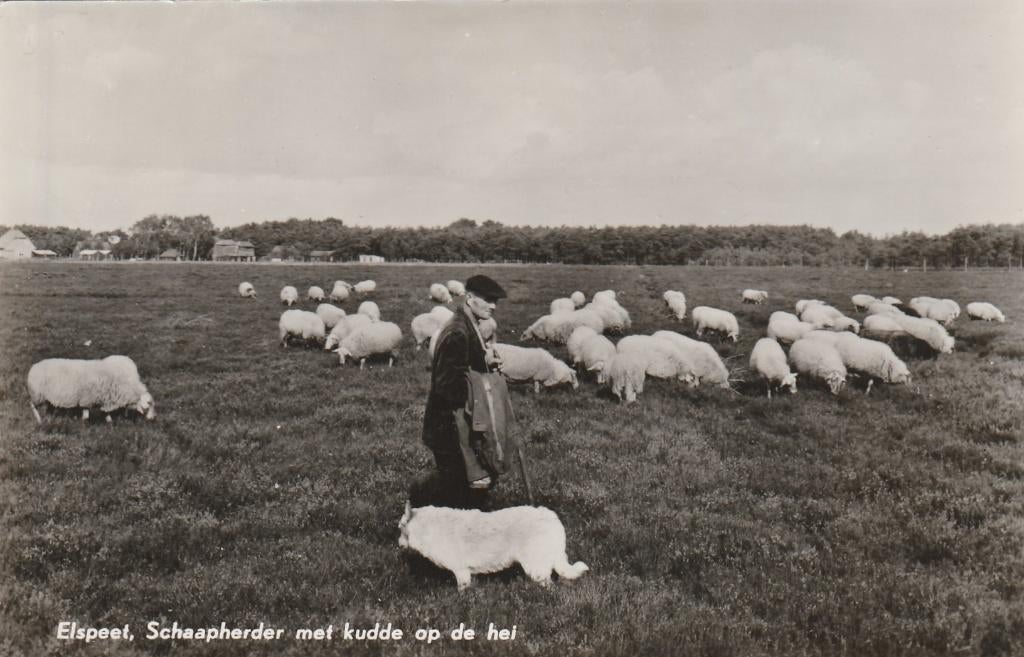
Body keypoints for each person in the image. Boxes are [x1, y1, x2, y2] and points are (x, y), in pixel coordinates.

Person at [411, 274, 507, 509]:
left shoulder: (467, 325)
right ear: (470, 298)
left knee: (463, 490)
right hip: (451, 429)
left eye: (495, 300)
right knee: (456, 494)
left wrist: (485, 361)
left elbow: (464, 366)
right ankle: (423, 518)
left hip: (454, 426)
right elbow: (448, 387)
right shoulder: (458, 332)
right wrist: (479, 386)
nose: (493, 306)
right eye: (488, 299)